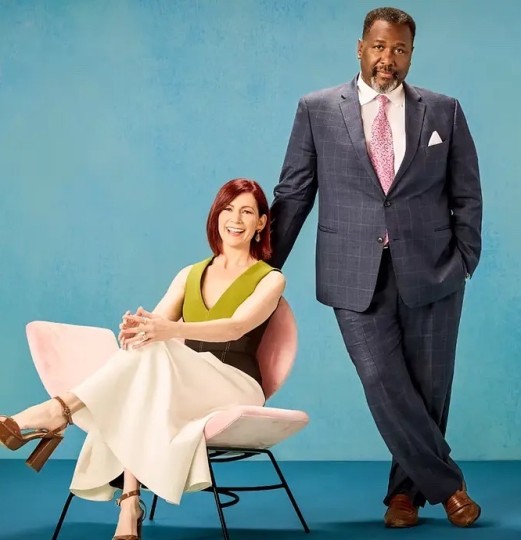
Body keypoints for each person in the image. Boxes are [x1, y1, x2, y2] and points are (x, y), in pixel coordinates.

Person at [269, 6, 482, 529]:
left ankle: (404, 496)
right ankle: (449, 487)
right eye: (380, 46)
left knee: (428, 390)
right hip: (351, 273)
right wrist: (261, 271)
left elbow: (466, 193)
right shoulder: (318, 108)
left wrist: (464, 260)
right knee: (383, 380)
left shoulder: (444, 110)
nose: (389, 58)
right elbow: (294, 194)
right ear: (360, 48)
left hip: (435, 272)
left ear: (411, 54)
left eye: (400, 49)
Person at [0, 178, 285, 540]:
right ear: (216, 216)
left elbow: (236, 327)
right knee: (144, 356)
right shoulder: (190, 274)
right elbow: (158, 322)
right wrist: (139, 328)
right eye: (228, 209)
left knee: (153, 354)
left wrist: (167, 330)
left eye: (246, 212)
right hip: (181, 380)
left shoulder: (270, 279)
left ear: (261, 222)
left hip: (234, 384)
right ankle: (130, 502)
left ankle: (58, 411)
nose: (236, 219)